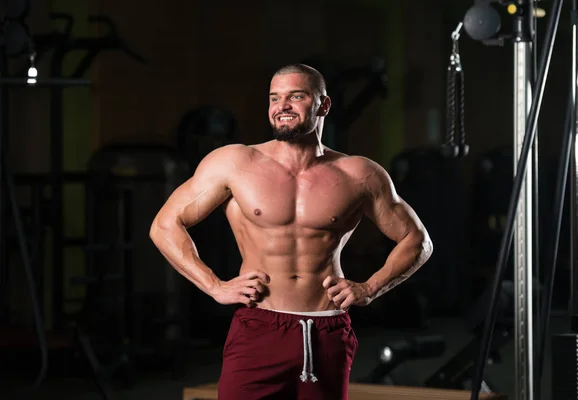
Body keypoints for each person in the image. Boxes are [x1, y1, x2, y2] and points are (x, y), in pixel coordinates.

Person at [149, 63, 433, 400]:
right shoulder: (235, 163)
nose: (282, 106)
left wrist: (369, 288)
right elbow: (164, 225)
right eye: (274, 98)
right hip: (259, 327)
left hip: (327, 328)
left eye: (295, 96)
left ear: (323, 106)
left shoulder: (359, 173)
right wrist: (214, 286)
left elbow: (418, 241)